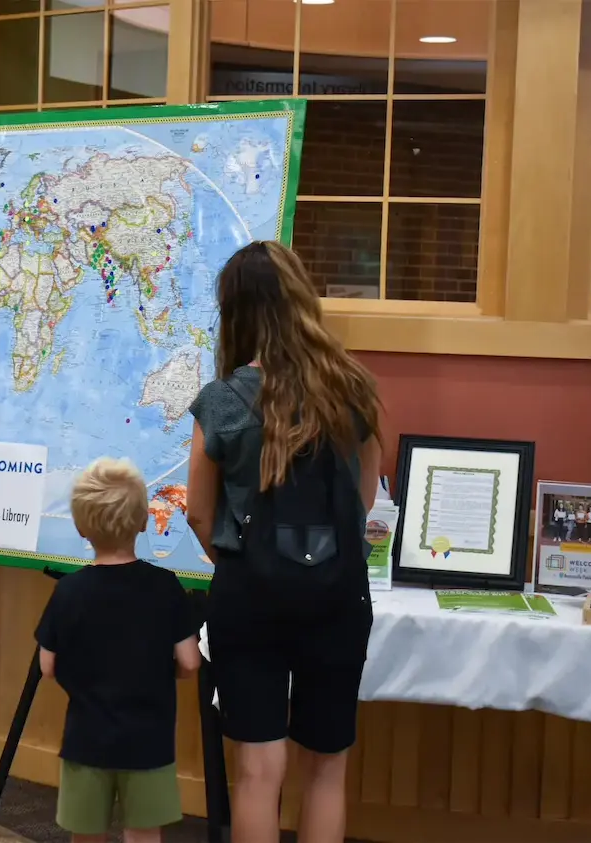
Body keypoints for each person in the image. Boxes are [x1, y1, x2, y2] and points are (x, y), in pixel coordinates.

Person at [185, 241, 382, 843]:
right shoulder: (355, 389)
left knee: (257, 771)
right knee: (326, 768)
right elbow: (364, 502)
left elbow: (198, 515)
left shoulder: (220, 401)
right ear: (301, 298)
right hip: (339, 595)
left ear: (234, 311)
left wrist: (253, 564)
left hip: (249, 596)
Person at [35, 457, 202, 843]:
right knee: (144, 833)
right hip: (150, 743)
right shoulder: (166, 587)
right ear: (144, 520)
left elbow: (47, 665)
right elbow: (190, 662)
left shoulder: (68, 592)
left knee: (87, 834)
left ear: (80, 526)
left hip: (85, 742)